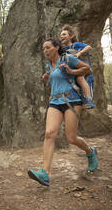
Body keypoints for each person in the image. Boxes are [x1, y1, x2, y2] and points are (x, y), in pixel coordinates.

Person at [27, 39, 98, 187]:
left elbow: (87, 70)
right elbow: (57, 81)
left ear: (56, 47)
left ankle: (90, 152)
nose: (45, 50)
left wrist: (72, 71)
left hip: (71, 101)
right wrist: (47, 77)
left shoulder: (68, 58)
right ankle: (44, 174)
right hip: (54, 101)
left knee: (71, 138)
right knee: (49, 133)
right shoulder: (49, 66)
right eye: (43, 48)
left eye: (48, 47)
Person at [60, 24, 94, 108]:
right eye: (60, 35)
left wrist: (79, 53)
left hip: (83, 70)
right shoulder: (62, 49)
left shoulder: (76, 45)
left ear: (71, 36)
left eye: (64, 34)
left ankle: (89, 100)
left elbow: (89, 47)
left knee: (80, 79)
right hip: (71, 72)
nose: (61, 36)